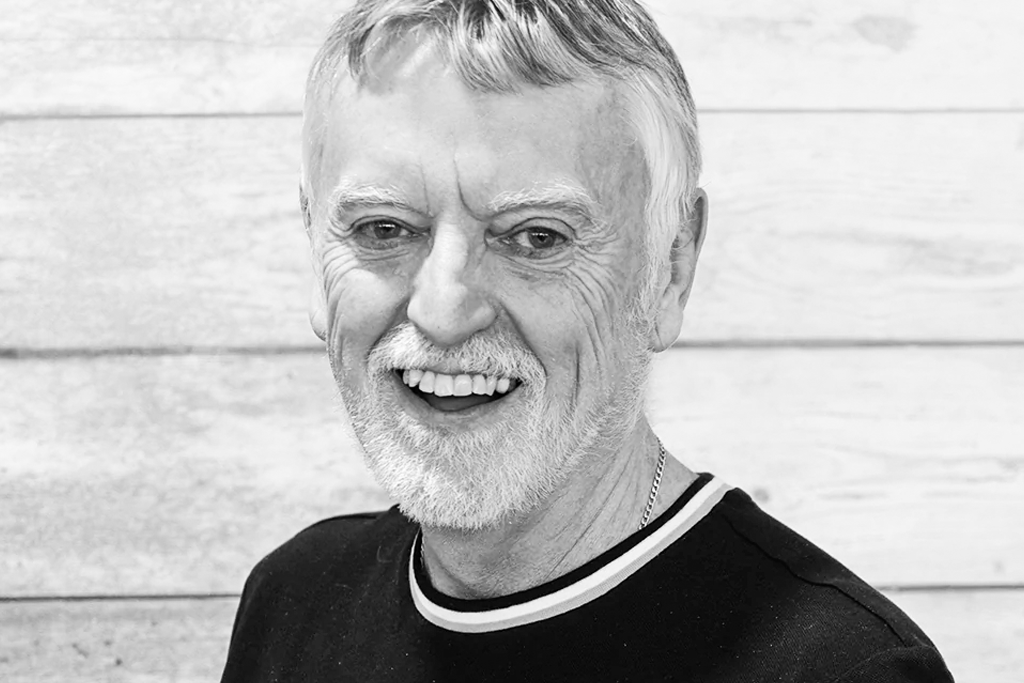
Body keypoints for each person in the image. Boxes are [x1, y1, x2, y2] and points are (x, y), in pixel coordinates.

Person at [221, 1, 953, 680]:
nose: (443, 311)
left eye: (536, 237)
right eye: (384, 229)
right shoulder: (294, 600)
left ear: (671, 269)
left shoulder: (842, 668)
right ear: (314, 252)